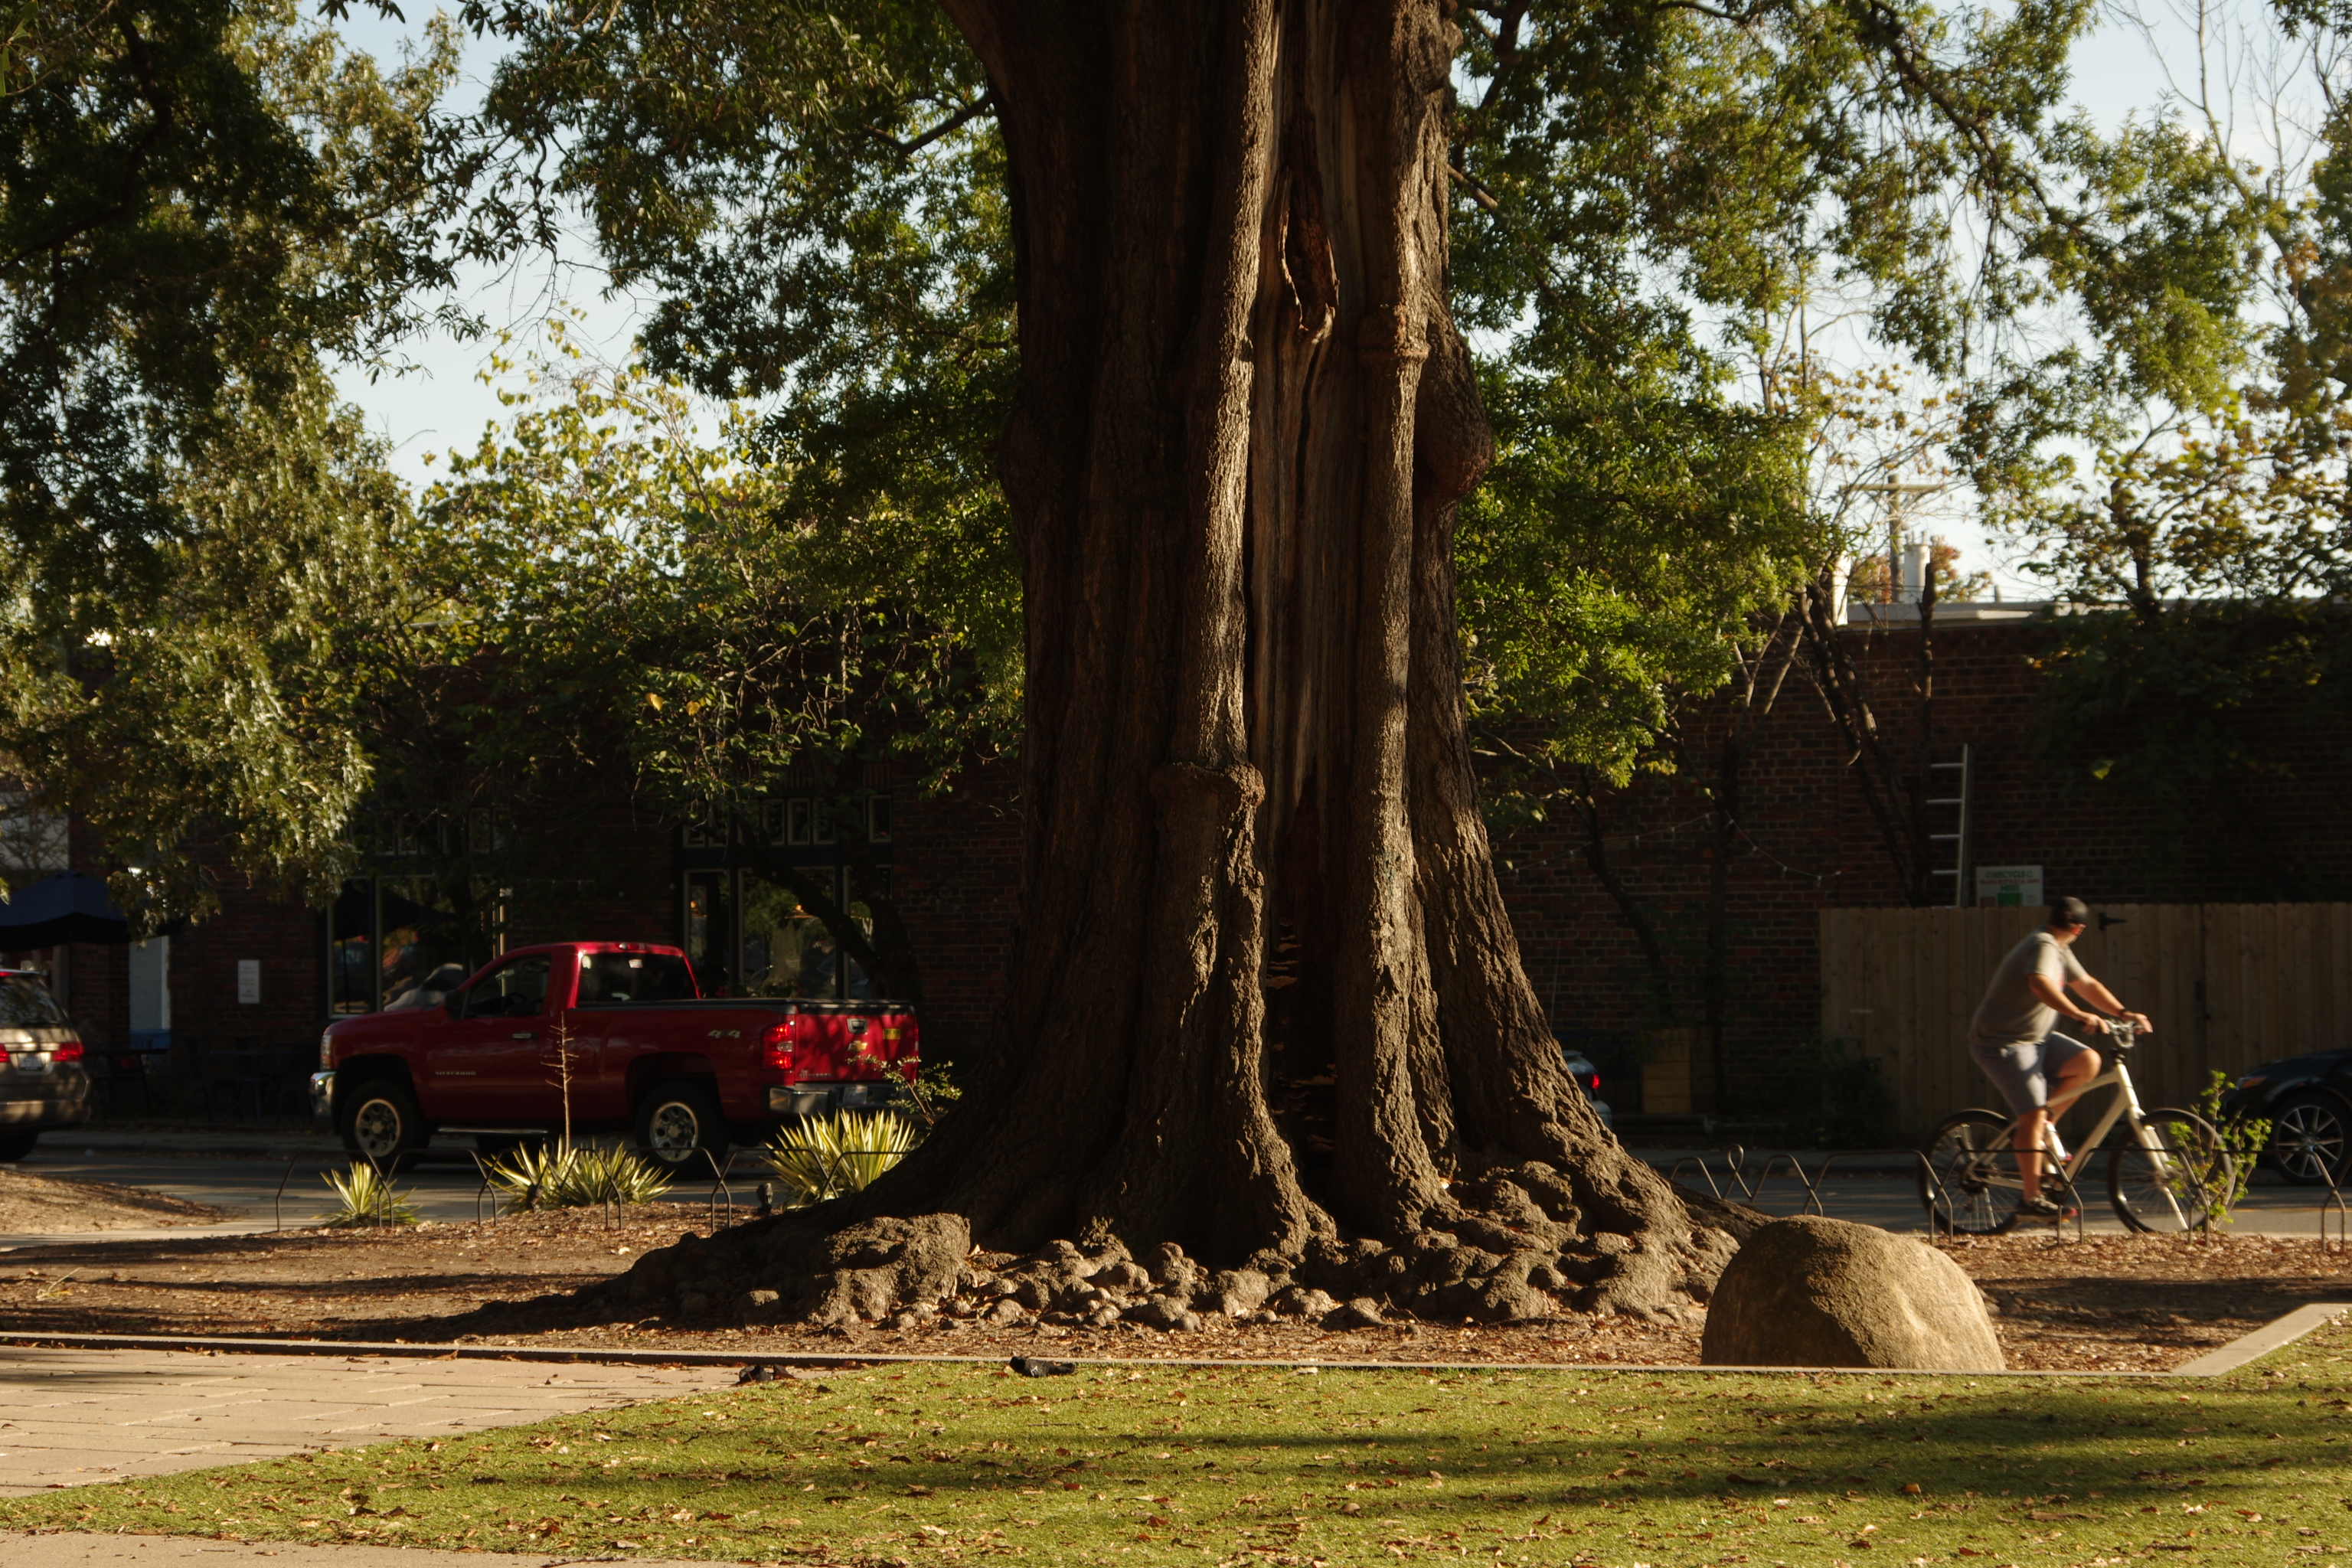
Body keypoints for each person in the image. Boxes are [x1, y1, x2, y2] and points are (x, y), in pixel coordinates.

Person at [1968, 897, 2154, 1217]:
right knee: (2032, 1115)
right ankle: (2030, 1198)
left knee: (2088, 1062)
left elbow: (2087, 984)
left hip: (2037, 1039)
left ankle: (2044, 1128)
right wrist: (2080, 1015)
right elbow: (2039, 984)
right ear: (2079, 929)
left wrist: (2124, 1013)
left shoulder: (2059, 948)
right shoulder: (2042, 945)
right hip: (2003, 1043)